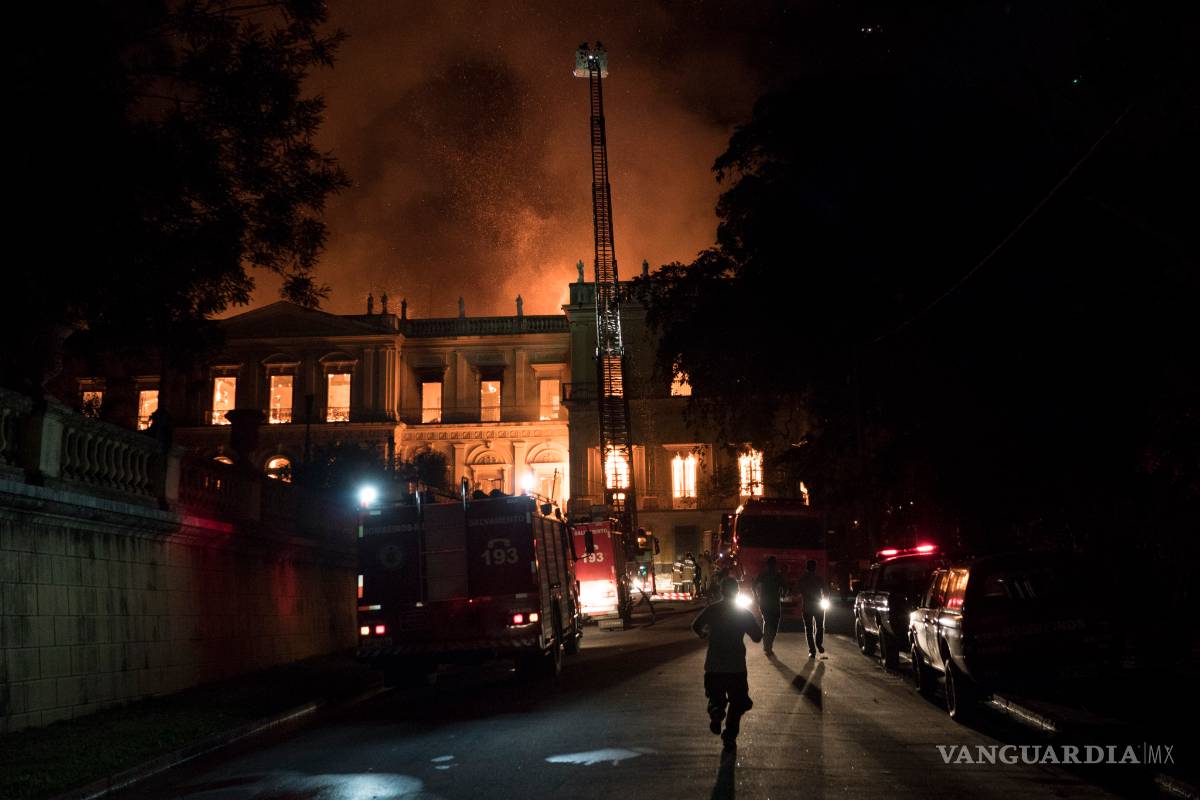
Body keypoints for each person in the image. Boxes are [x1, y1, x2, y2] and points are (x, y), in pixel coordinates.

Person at [691, 576, 763, 750]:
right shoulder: (743, 613)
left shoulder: (712, 609)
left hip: (714, 665)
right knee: (738, 702)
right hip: (736, 666)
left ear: (721, 591)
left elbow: (695, 625)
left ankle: (716, 711)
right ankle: (730, 735)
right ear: (737, 592)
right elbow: (757, 637)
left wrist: (703, 634)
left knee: (715, 697)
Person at [752, 557, 787, 657]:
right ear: (775, 564)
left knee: (767, 623)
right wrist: (783, 594)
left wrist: (756, 596)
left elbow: (753, 585)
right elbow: (785, 587)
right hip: (774, 603)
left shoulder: (763, 574)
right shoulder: (778, 575)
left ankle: (767, 644)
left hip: (764, 602)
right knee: (773, 625)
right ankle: (768, 645)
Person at [796, 560, 829, 657]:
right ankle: (819, 644)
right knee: (820, 627)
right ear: (815, 567)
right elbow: (826, 591)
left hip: (807, 607)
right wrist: (825, 599)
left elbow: (797, 591)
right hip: (818, 606)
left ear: (807, 567)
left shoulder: (803, 579)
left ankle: (812, 650)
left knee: (809, 629)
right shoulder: (819, 578)